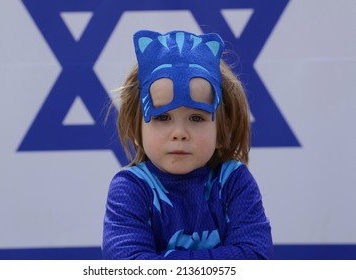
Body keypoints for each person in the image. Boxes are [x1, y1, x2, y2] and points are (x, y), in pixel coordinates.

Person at [102, 30, 272, 259]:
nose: (180, 133)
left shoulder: (234, 181)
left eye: (196, 118)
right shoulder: (131, 188)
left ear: (222, 132)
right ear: (136, 129)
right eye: (162, 117)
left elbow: (255, 255)